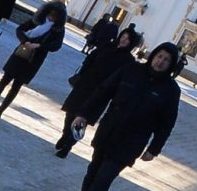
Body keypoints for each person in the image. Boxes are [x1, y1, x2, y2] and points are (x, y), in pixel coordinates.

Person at [60, 42, 182, 191]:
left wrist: (154, 148)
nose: (161, 62)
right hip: (108, 131)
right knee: (92, 173)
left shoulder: (170, 90)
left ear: (171, 65)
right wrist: (84, 113)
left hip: (132, 141)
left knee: (104, 178)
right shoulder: (131, 70)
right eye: (160, 56)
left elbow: (167, 123)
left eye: (167, 60)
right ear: (153, 55)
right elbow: (103, 91)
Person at [54, 25, 142, 157]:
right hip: (84, 85)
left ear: (131, 43)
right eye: (123, 37)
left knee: (82, 120)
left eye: (127, 39)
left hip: (100, 94)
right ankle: (65, 134)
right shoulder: (106, 47)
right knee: (70, 114)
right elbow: (90, 58)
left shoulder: (128, 60)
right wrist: (83, 73)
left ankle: (68, 146)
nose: (124, 40)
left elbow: (122, 80)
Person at [0, 0, 68, 121]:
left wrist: (39, 46)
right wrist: (24, 41)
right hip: (20, 53)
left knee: (16, 86)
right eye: (51, 13)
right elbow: (20, 29)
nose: (52, 17)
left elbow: (56, 46)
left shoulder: (58, 30)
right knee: (4, 80)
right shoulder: (38, 20)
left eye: (55, 15)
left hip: (34, 60)